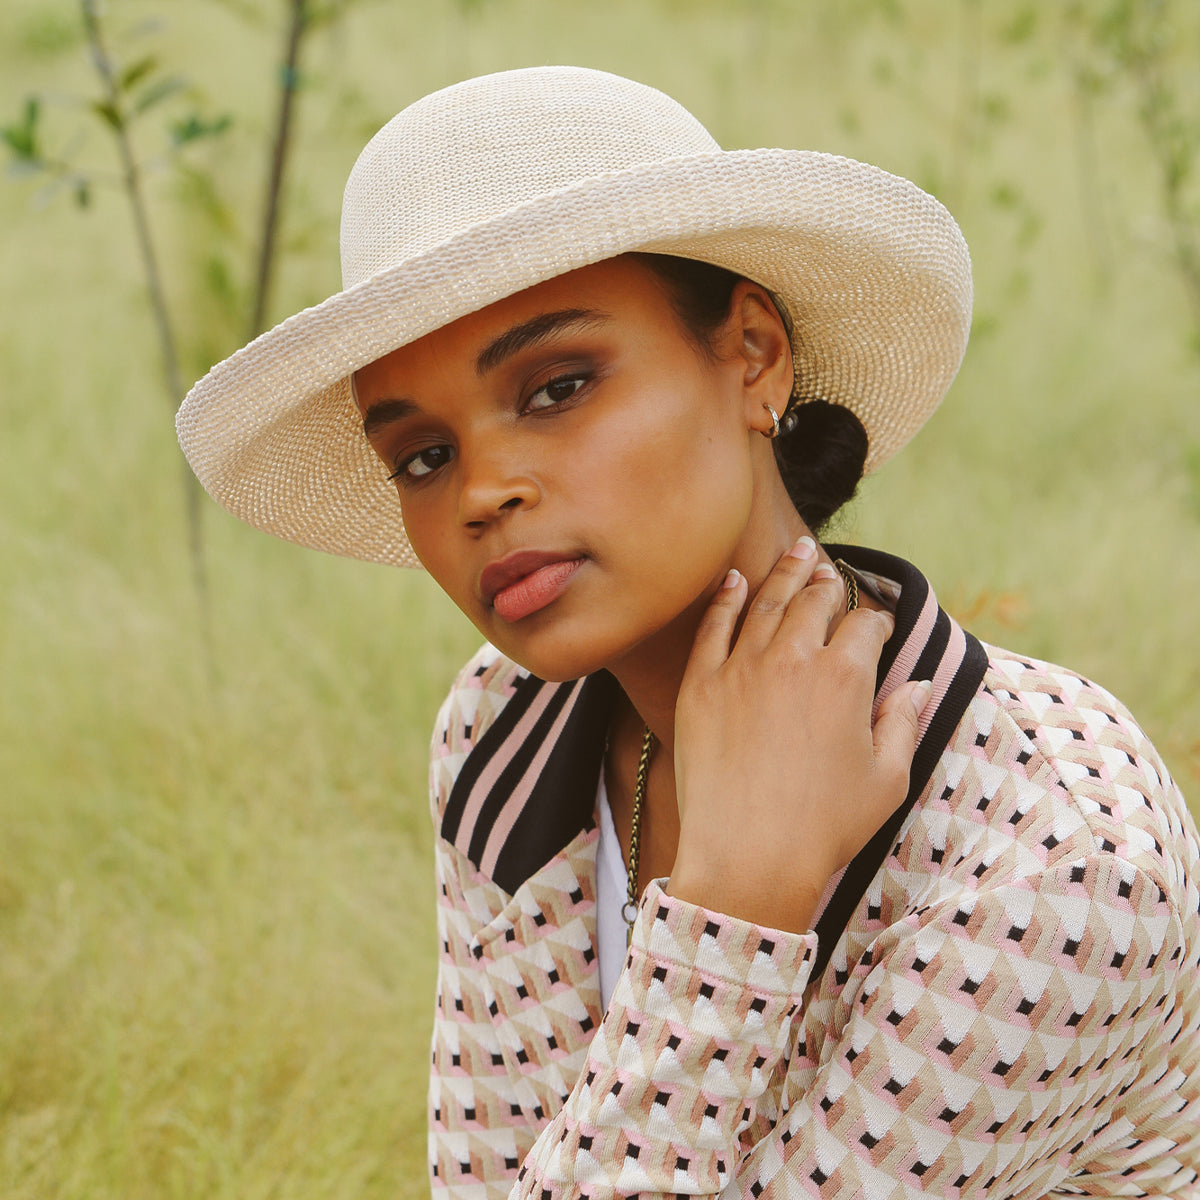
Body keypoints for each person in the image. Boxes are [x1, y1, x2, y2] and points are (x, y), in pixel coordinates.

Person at [178, 67, 1200, 1199]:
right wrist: (731, 894)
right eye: (423, 454)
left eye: (557, 386)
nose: (480, 493)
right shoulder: (501, 721)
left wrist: (731, 913)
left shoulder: (1051, 863)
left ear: (754, 353)